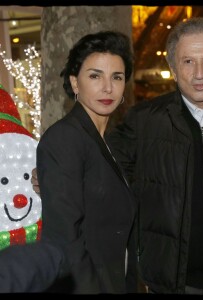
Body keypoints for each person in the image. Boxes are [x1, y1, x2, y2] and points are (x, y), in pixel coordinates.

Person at [32, 17, 203, 295]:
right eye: (187, 61)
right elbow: (102, 166)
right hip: (167, 283)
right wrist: (50, 176)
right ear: (172, 68)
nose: (199, 73)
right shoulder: (143, 121)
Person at [1, 30, 138, 294]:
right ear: (75, 83)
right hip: (89, 284)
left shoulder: (106, 139)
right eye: (95, 76)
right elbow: (64, 237)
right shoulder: (65, 138)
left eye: (116, 77)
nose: (107, 87)